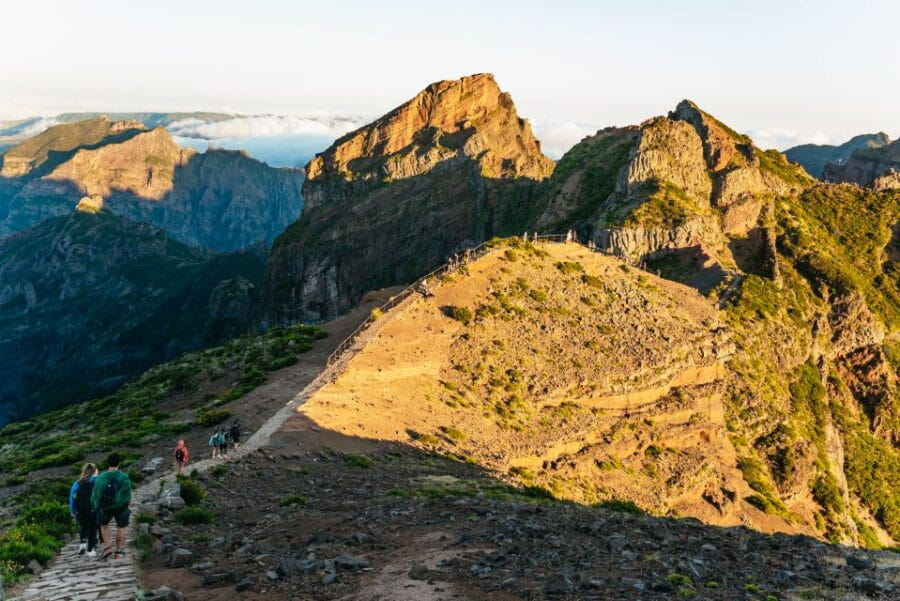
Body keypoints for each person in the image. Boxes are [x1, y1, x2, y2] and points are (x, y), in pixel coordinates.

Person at [91, 453, 132, 560]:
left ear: (108, 463)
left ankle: (108, 547)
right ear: (119, 463)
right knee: (121, 527)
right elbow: (128, 494)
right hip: (121, 507)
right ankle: (118, 553)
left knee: (104, 525)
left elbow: (96, 494)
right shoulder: (124, 477)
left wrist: (96, 506)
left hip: (105, 507)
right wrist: (127, 504)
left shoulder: (101, 477)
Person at [69, 463, 98, 556]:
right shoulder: (95, 480)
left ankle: (82, 543)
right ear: (94, 471)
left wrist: (72, 510)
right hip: (92, 508)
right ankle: (90, 550)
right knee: (92, 528)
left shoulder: (77, 482)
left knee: (83, 526)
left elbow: (72, 497)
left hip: (80, 509)